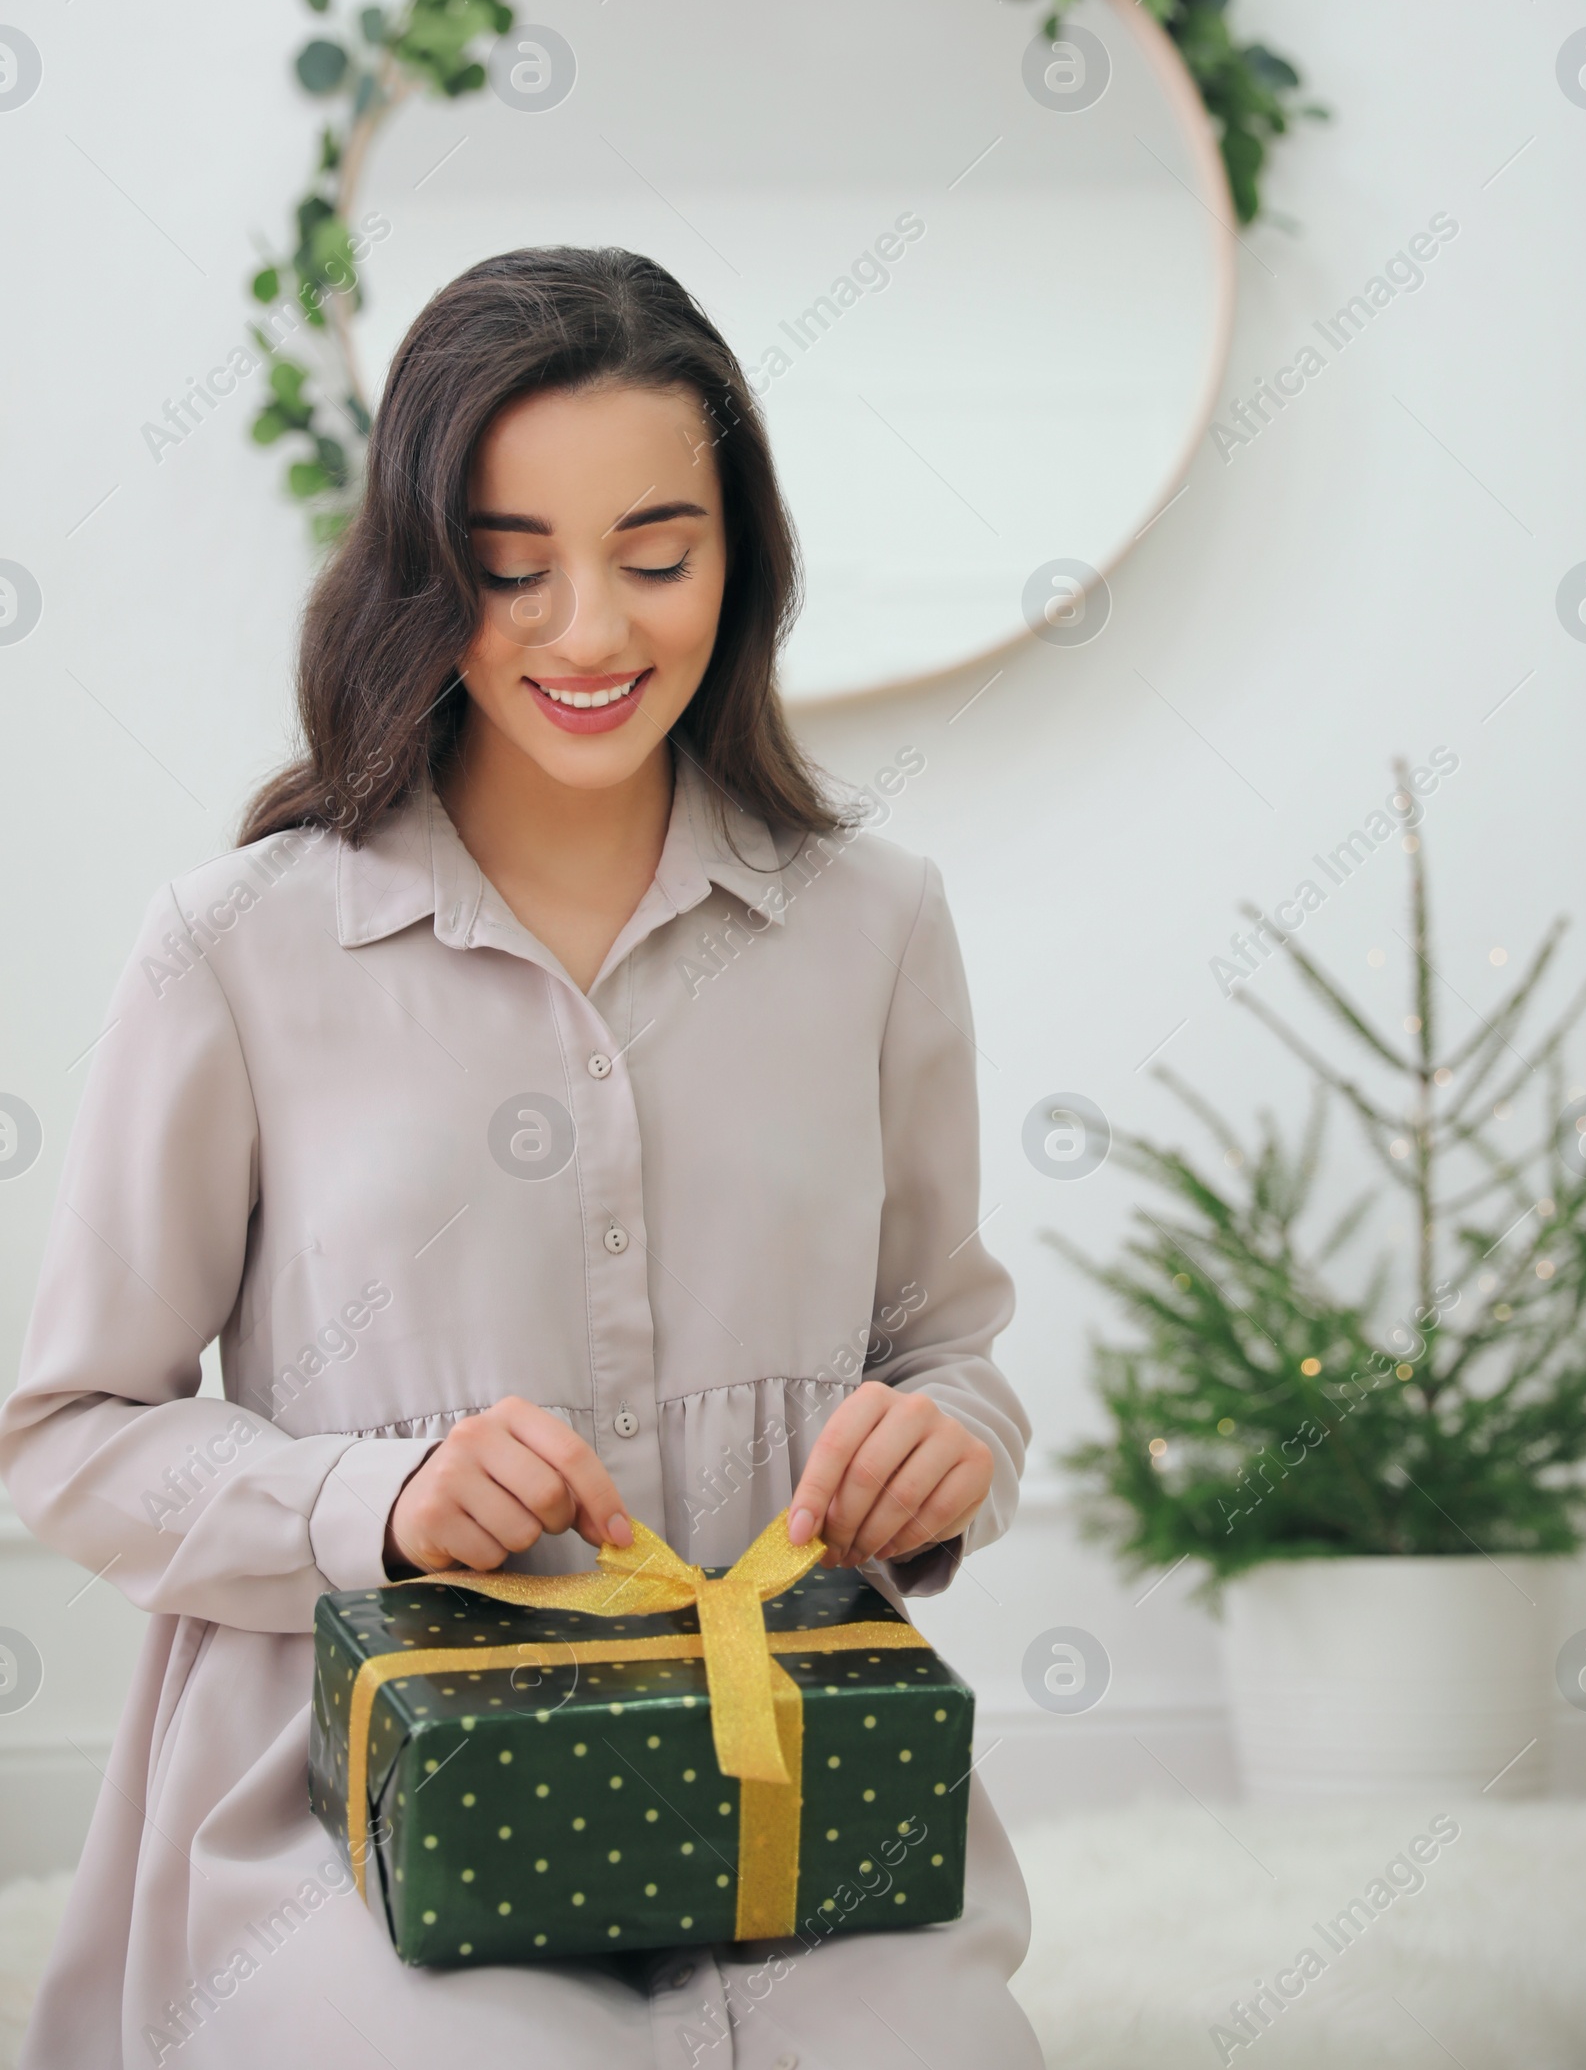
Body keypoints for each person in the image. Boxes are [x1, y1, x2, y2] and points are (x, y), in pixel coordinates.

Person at [0, 246, 1042, 2068]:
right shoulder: (237, 949)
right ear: (420, 577)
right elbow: (65, 1438)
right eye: (510, 569)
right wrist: (375, 1505)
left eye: (658, 558)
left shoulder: (875, 926)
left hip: (783, 1769)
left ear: (744, 558)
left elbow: (951, 1359)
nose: (590, 632)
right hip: (369, 1808)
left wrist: (941, 1449)